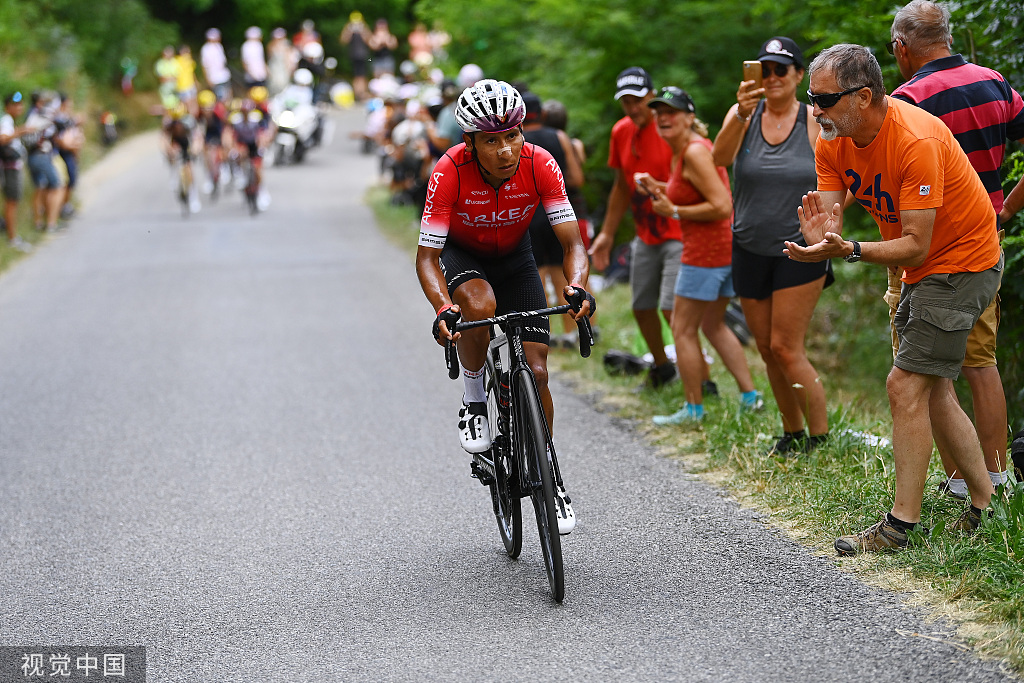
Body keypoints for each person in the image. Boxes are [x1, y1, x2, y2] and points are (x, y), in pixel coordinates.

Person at [785, 43, 1002, 553]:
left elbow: (916, 242)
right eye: (809, 98)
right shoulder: (832, 139)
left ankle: (900, 527)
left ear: (863, 97)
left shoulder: (915, 140)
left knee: (905, 386)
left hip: (961, 262)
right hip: (917, 269)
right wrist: (822, 241)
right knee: (932, 388)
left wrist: (852, 249)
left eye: (823, 99)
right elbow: (831, 217)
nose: (813, 110)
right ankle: (986, 501)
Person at [415, 80, 594, 534]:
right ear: (470, 143)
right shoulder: (449, 170)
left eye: (511, 136)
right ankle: (475, 397)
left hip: (517, 258)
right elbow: (426, 257)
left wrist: (576, 286)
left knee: (536, 371)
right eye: (491, 141)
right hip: (464, 255)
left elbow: (573, 242)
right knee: (479, 303)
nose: (505, 149)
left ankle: (550, 478)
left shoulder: (541, 163)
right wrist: (441, 308)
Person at [887, 0, 1024, 496]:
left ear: (902, 48)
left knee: (926, 371)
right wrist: (1005, 209)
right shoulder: (994, 82)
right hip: (986, 240)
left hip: (928, 250)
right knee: (979, 360)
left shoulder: (907, 100)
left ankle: (956, 480)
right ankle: (996, 476)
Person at [711, 37, 830, 456]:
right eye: (765, 69)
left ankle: (820, 436)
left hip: (800, 249)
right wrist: (741, 112)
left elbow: (842, 173)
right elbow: (718, 158)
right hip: (748, 246)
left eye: (781, 69)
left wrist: (829, 225)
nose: (773, 78)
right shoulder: (744, 113)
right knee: (764, 347)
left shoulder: (812, 120)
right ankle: (792, 431)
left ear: (799, 75)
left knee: (785, 346)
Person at [645, 87, 762, 425]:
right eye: (659, 112)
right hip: (719, 250)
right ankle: (750, 396)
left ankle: (694, 409)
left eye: (672, 111)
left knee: (682, 328)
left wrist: (675, 210)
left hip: (706, 253)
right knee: (712, 325)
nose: (663, 118)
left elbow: (723, 205)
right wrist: (658, 188)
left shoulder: (694, 152)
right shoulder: (684, 151)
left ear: (690, 116)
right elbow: (693, 191)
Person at [588, 68, 691, 390]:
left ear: (651, 95)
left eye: (638, 100)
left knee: (672, 308)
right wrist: (606, 233)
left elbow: (696, 177)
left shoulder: (670, 129)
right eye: (626, 102)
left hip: (680, 230)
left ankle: (698, 381)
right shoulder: (621, 132)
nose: (633, 108)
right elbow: (620, 186)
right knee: (642, 306)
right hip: (646, 233)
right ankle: (662, 368)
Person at [521, 91, 585, 345]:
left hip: (527, 216)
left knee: (535, 277)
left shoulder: (518, 141)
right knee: (562, 274)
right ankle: (571, 333)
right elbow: (576, 179)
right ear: (543, 114)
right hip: (556, 214)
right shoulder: (558, 136)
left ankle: (540, 336)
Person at [23, 92, 63, 233]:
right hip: (42, 156)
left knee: (40, 188)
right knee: (56, 187)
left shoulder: (30, 116)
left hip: (32, 156)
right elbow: (56, 129)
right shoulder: (42, 117)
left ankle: (38, 222)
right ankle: (51, 224)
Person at [0, 91, 32, 252]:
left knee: (13, 201)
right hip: (9, 168)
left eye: (21, 104)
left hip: (13, 167)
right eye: (15, 104)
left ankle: (13, 235)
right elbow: (3, 138)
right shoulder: (6, 120)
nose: (19, 107)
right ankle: (12, 238)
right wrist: (22, 131)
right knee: (11, 201)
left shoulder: (9, 121)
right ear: (7, 107)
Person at [53, 94, 84, 219]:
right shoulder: (59, 119)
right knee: (67, 180)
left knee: (71, 179)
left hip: (71, 152)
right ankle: (62, 207)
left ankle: (66, 205)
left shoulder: (66, 117)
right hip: (65, 152)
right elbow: (60, 139)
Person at [340, 13, 372, 101]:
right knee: (356, 75)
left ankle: (362, 94)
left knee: (363, 75)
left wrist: (362, 30)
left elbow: (369, 41)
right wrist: (349, 30)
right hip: (354, 55)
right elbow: (343, 40)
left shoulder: (364, 29)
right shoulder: (349, 29)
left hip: (364, 55)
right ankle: (357, 94)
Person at [200, 29, 232, 102]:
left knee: (228, 97)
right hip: (214, 79)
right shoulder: (206, 49)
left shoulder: (219, 46)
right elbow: (204, 66)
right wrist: (208, 79)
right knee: (220, 99)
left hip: (224, 76)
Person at [155, 45, 181, 109]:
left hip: (176, 88)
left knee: (177, 107)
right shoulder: (160, 63)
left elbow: (178, 76)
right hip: (166, 89)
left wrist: (169, 78)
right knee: (167, 108)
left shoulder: (175, 61)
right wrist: (171, 78)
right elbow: (161, 78)